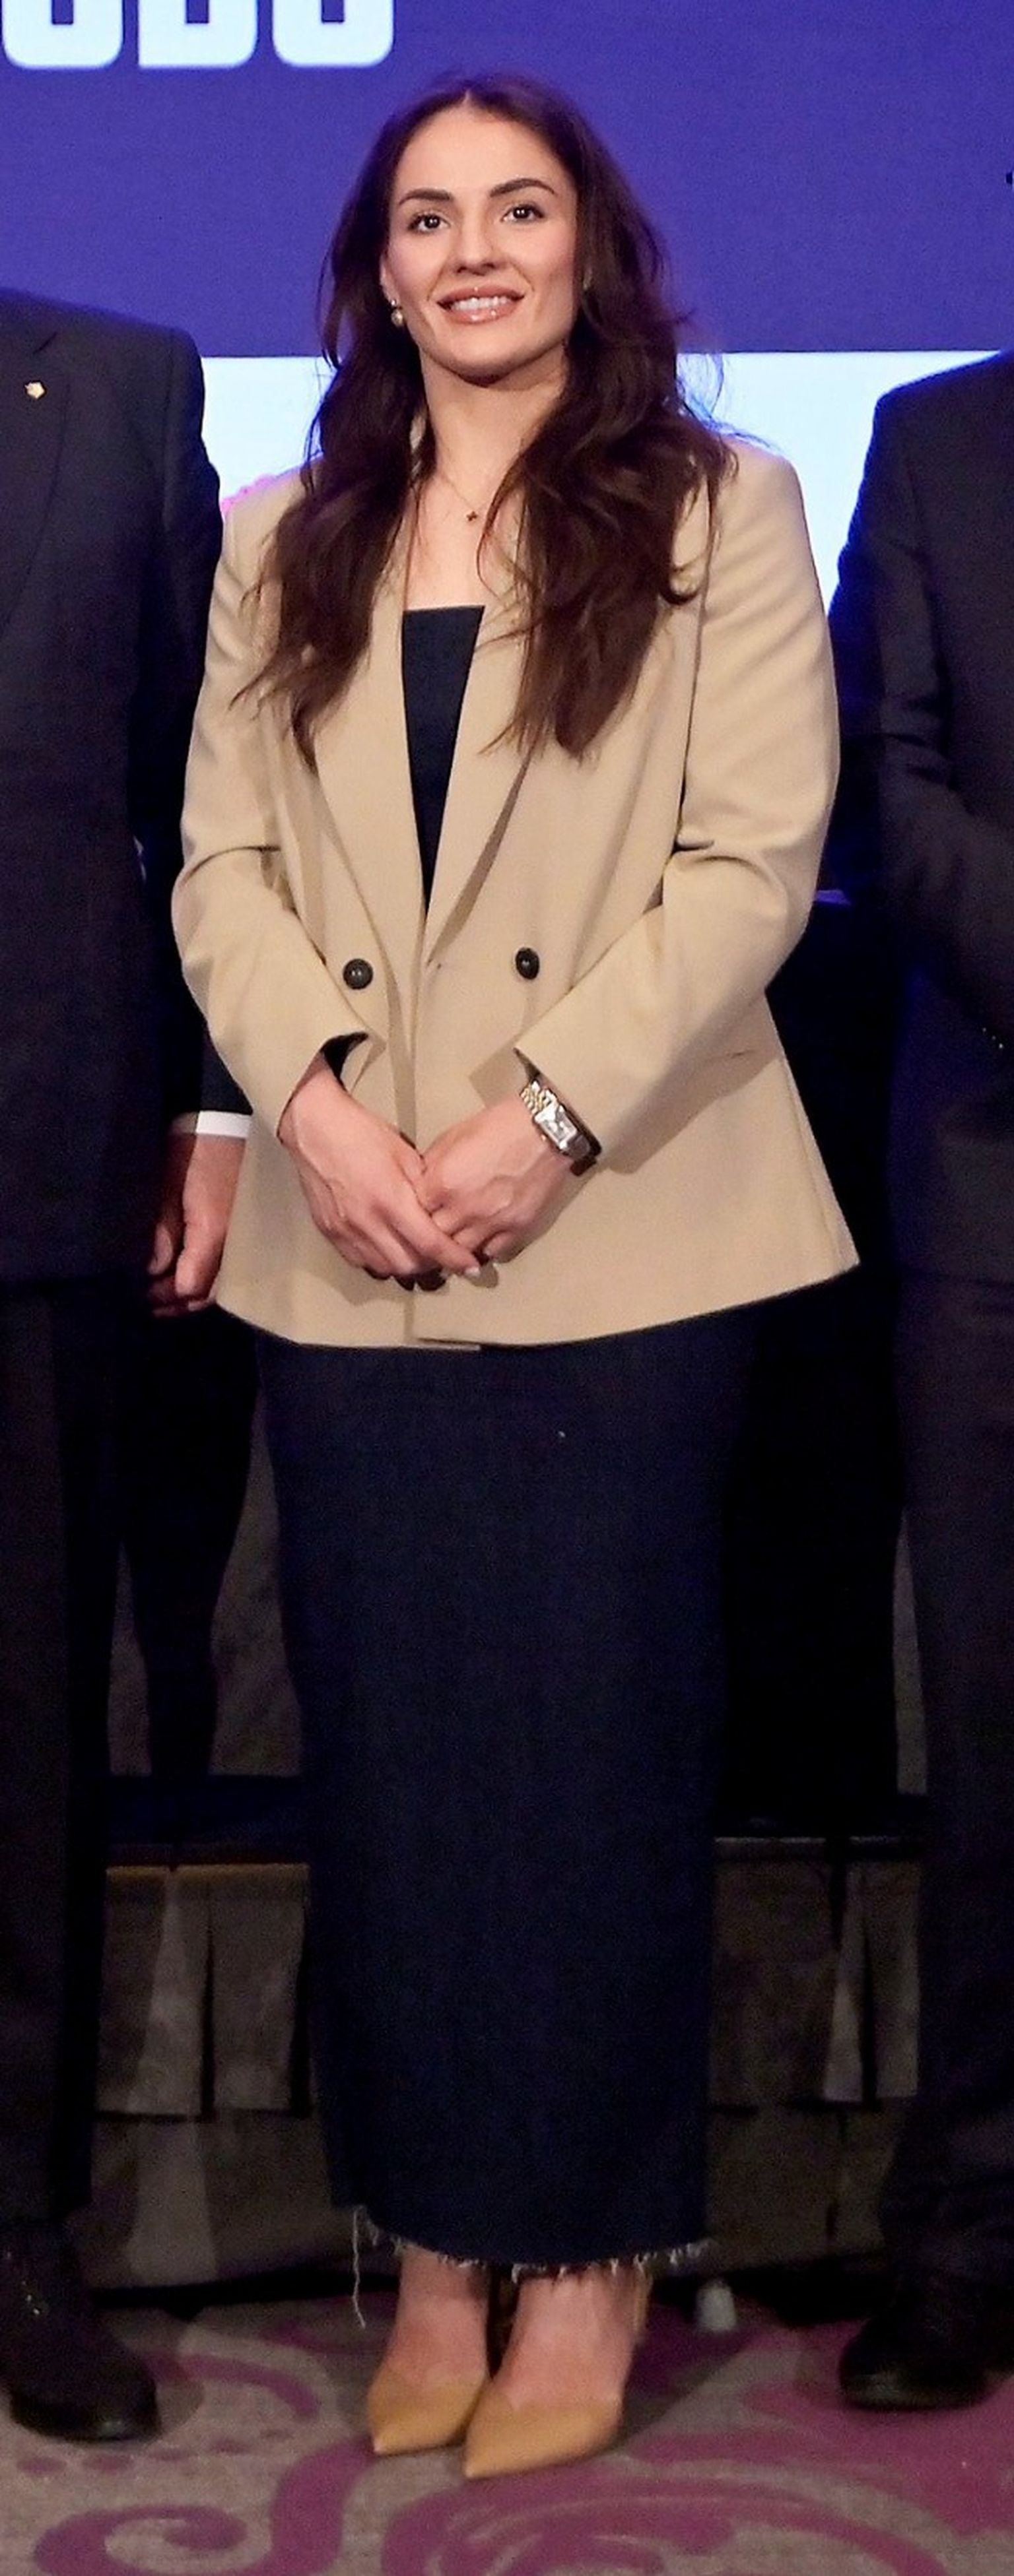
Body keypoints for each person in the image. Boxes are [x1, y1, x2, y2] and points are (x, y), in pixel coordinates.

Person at [175, 73, 852, 2480]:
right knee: (398, 1771)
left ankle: (586, 2265)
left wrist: (538, 1122)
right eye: (429, 218)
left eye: (520, 209)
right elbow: (221, 869)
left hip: (624, 1225)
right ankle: (439, 2252)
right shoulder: (282, 534)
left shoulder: (722, 507)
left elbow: (752, 861)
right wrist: (324, 1115)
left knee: (593, 1763)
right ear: (376, 270)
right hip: (350, 1233)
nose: (473, 251)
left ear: (592, 248)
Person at [0, 289, 244, 2441]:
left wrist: (210, 1104)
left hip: (40, 1145)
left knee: (22, 1731)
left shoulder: (125, 386)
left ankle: (16, 2230)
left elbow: (201, 784)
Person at [828, 354, 1014, 2409]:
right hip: (992, 1185)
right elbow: (890, 782)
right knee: (994, 1757)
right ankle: (970, 2229)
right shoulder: (940, 442)